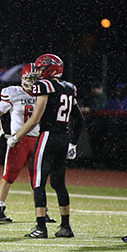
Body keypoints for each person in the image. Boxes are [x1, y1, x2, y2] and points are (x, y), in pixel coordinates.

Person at [7, 54, 84, 238]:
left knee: (38, 182)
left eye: (41, 68)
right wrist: (73, 143)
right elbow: (79, 119)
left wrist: (16, 136)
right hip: (64, 137)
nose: (39, 72)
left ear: (50, 69)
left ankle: (41, 228)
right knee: (59, 183)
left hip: (48, 135)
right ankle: (66, 226)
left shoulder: (45, 85)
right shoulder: (69, 87)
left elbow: (35, 119)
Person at [0, 63, 56, 223]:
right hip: (17, 141)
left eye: (35, 78)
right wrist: (1, 134)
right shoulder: (13, 93)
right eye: (29, 78)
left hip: (37, 140)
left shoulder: (43, 95)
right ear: (22, 78)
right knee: (9, 175)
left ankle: (42, 212)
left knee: (37, 179)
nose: (32, 82)